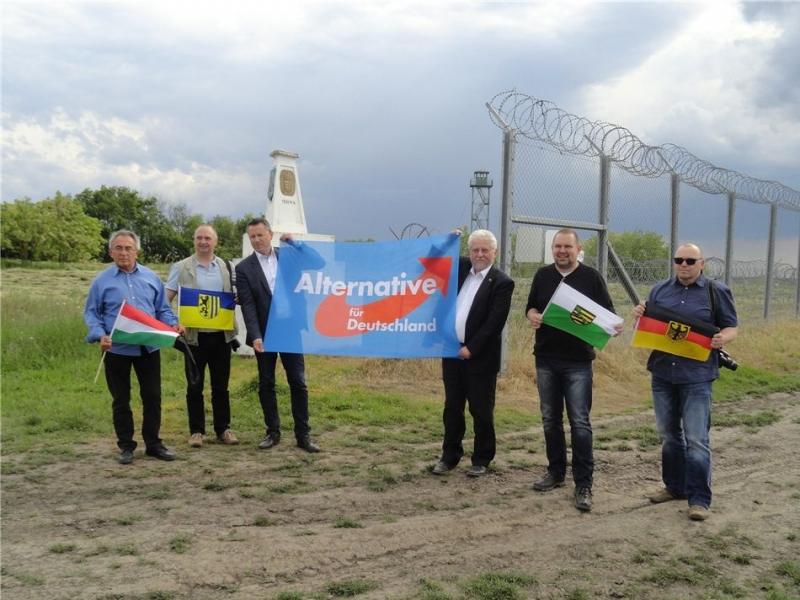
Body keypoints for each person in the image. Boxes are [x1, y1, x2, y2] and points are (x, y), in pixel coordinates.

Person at [633, 243, 738, 521]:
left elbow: (731, 326)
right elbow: (649, 326)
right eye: (679, 259)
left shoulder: (716, 292)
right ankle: (674, 487)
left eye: (690, 261)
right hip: (663, 373)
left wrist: (723, 338)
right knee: (669, 435)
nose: (684, 265)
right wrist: (640, 315)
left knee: (696, 439)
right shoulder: (659, 291)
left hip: (697, 376)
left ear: (702, 263)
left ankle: (699, 500)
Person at [525, 228, 621, 511]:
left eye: (567, 246)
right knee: (549, 419)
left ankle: (584, 483)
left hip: (578, 361)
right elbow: (530, 307)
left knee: (579, 422)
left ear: (578, 249)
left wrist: (615, 327)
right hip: (545, 358)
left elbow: (609, 316)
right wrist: (533, 316)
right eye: (557, 247)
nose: (562, 251)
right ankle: (555, 472)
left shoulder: (591, 278)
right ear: (552, 249)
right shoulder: (542, 275)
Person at [84, 230, 181, 464]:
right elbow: (92, 313)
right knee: (121, 400)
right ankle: (126, 446)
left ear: (137, 251)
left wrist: (172, 323)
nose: (124, 252)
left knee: (152, 397)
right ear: (110, 252)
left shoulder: (151, 277)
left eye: (128, 248)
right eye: (118, 248)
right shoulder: (102, 282)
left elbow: (162, 309)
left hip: (148, 348)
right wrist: (100, 335)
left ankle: (154, 444)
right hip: (117, 350)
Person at [432, 229, 514, 477]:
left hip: (479, 358)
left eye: (485, 250)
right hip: (451, 353)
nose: (479, 254)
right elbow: (435, 260)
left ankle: (482, 458)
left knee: (481, 409)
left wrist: (471, 348)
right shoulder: (460, 270)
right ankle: (449, 456)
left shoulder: (502, 283)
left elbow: (494, 323)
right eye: (475, 250)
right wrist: (448, 240)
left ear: (494, 252)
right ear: (469, 252)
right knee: (452, 407)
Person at [235, 218, 320, 453]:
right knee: (266, 383)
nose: (256, 240)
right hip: (264, 333)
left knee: (298, 382)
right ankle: (272, 432)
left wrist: (297, 243)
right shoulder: (244, 268)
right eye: (252, 236)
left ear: (270, 234)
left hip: (290, 329)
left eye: (260, 235)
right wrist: (255, 335)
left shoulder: (289, 255)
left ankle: (303, 435)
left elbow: (318, 262)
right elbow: (248, 305)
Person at [166, 224, 239, 448]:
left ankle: (223, 429)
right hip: (194, 338)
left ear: (215, 241)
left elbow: (235, 296)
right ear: (194, 240)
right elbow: (165, 299)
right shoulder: (181, 267)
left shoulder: (227, 267)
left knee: (221, 386)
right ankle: (196, 431)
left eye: (208, 238)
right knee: (194, 386)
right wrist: (173, 322)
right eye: (199, 238)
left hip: (221, 337)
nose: (203, 242)